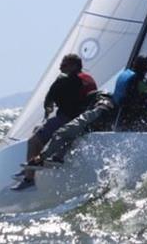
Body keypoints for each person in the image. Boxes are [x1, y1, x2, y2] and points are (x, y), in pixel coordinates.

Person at [13, 54, 95, 190]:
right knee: (37, 129)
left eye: (64, 64)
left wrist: (49, 105)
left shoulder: (70, 80)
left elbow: (54, 97)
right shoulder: (89, 79)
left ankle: (29, 179)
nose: (60, 66)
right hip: (82, 121)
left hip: (68, 120)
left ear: (74, 66)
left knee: (33, 142)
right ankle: (31, 165)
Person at [23, 90, 117, 183]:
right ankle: (58, 156)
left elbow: (64, 132)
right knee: (72, 134)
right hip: (102, 127)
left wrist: (42, 156)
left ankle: (42, 159)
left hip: (94, 122)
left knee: (62, 132)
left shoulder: (99, 104)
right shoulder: (111, 101)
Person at [111, 55, 147, 131]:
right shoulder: (142, 82)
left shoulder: (124, 74)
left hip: (116, 118)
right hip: (131, 121)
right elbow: (144, 104)